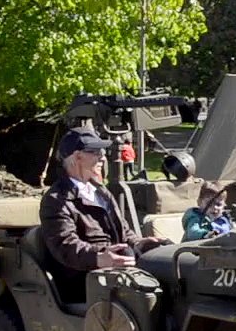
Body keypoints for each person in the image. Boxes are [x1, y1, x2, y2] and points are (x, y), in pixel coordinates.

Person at [39, 128, 166, 301]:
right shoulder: (57, 200)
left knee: (165, 259)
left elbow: (123, 231)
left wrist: (139, 243)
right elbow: (65, 245)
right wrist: (98, 258)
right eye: (96, 152)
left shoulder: (100, 191)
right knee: (148, 297)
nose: (103, 157)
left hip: (115, 269)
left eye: (103, 152)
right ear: (77, 157)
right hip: (85, 278)